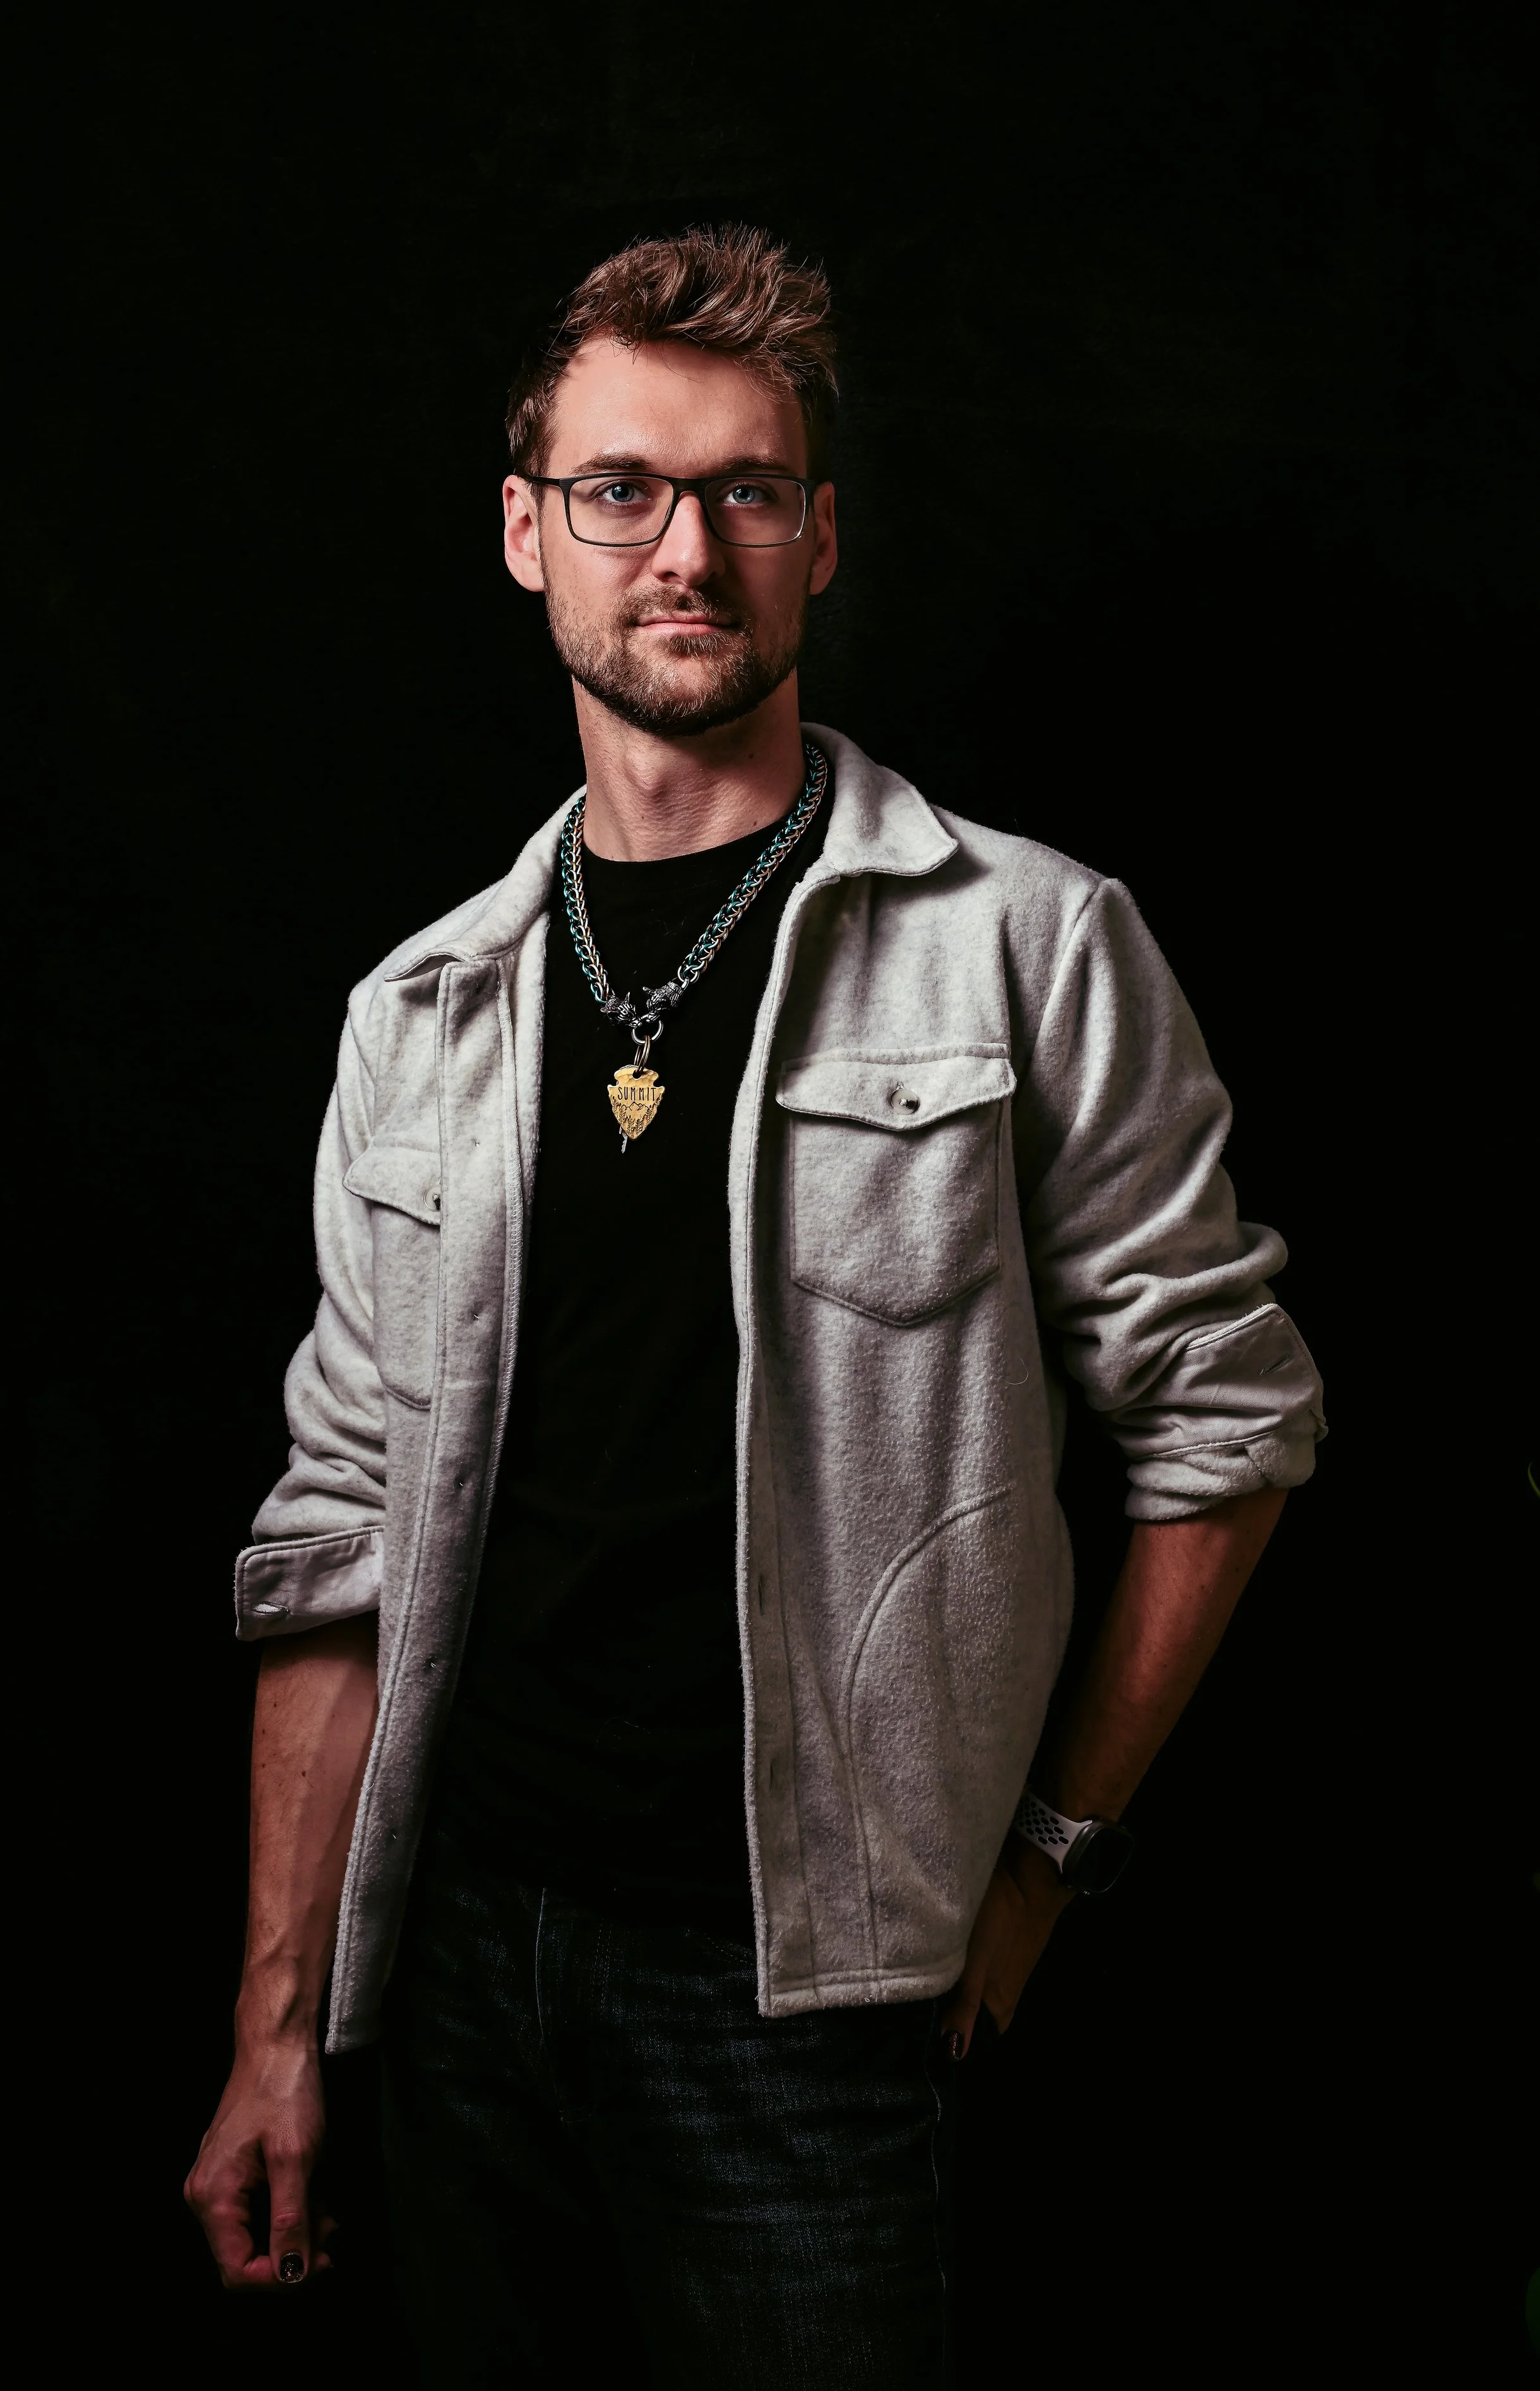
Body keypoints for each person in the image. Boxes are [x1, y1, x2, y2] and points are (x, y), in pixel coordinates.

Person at [185, 225, 1325, 2386]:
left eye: (746, 490)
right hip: (445, 1973)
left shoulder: (1028, 943)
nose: (683, 545)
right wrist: (279, 2034)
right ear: (527, 533)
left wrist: (1045, 1868)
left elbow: (1228, 1422)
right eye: (620, 488)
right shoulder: (419, 1012)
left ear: (820, 534)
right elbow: (330, 1535)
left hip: (804, 1999)